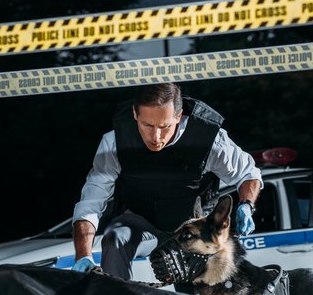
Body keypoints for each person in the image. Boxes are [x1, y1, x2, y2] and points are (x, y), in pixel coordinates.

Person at [71, 83, 262, 279]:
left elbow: (248, 174)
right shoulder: (114, 143)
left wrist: (246, 205)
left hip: (191, 226)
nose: (156, 137)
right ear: (135, 114)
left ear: (178, 116)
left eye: (164, 127)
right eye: (147, 125)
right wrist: (83, 255)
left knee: (197, 283)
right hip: (140, 224)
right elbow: (90, 202)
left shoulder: (209, 141)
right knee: (115, 238)